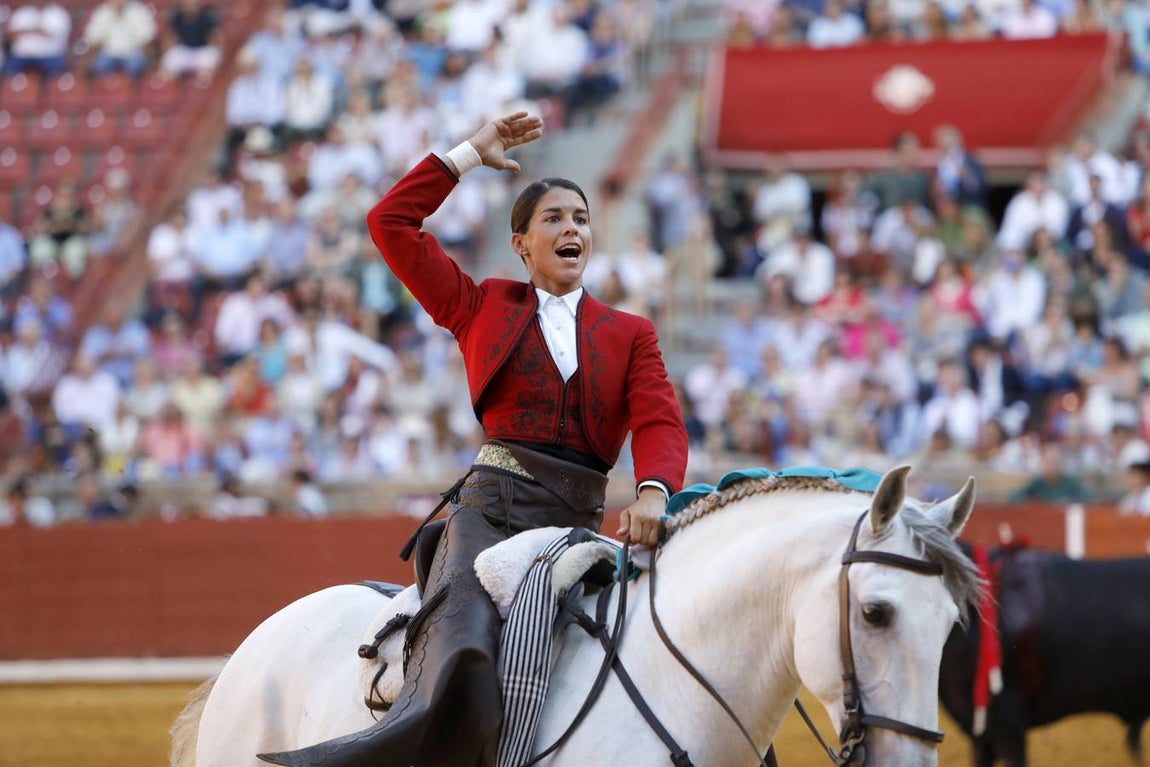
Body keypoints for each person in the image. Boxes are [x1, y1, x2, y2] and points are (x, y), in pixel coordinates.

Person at [260, 112, 688, 766]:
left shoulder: (630, 332)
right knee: (462, 646)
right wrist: (464, 157)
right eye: (553, 218)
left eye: (580, 218)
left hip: (578, 524)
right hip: (489, 517)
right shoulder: (480, 304)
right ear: (520, 242)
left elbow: (658, 417)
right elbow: (390, 224)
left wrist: (655, 490)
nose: (572, 227)